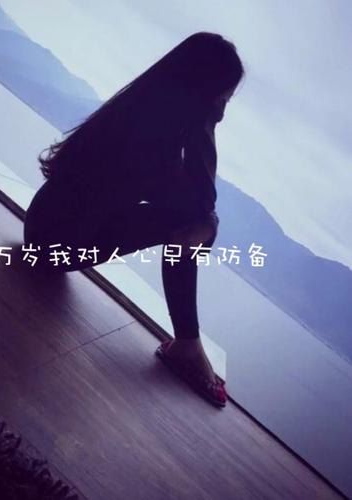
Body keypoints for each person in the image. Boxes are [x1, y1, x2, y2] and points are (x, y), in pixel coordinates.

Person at [23, 32, 244, 407]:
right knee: (192, 225)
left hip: (42, 227)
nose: (223, 111)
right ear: (205, 93)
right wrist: (206, 127)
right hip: (53, 249)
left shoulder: (142, 113)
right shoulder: (156, 141)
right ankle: (187, 345)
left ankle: (187, 344)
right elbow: (199, 204)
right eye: (223, 99)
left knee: (195, 222)